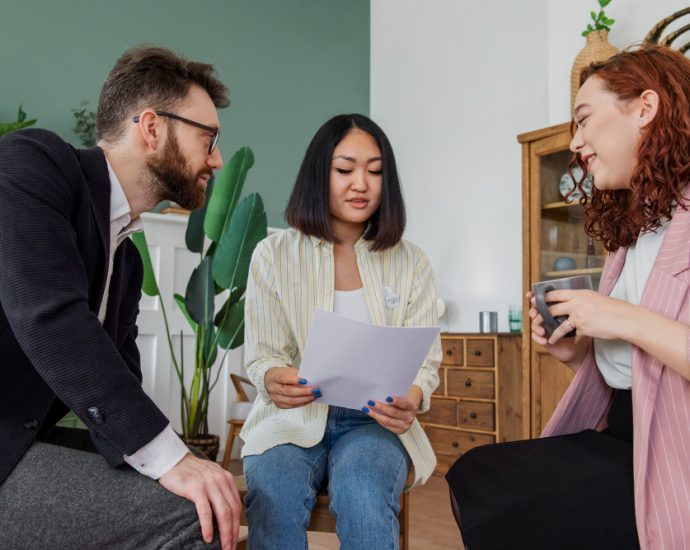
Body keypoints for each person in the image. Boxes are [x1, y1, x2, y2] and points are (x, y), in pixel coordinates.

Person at [446, 44, 690, 550]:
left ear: (645, 109)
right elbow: (633, 368)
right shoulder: (636, 233)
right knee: (479, 473)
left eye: (583, 119)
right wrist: (577, 352)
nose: (576, 141)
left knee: (507, 495)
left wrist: (620, 316)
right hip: (624, 434)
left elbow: (642, 333)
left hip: (674, 451)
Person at [0, 46, 242, 549]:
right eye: (208, 138)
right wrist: (173, 461)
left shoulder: (126, 258)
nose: (217, 159)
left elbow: (122, 378)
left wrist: (182, 461)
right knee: (194, 520)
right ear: (152, 128)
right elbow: (52, 319)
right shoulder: (32, 164)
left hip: (26, 443)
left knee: (212, 498)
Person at [239, 113, 442, 549]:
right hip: (291, 418)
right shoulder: (272, 254)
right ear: (320, 174)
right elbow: (262, 354)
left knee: (364, 492)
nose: (362, 184)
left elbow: (425, 358)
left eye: (375, 171)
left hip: (375, 422)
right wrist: (272, 377)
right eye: (345, 169)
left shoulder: (412, 262)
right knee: (274, 492)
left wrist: (415, 395)